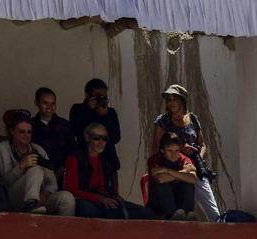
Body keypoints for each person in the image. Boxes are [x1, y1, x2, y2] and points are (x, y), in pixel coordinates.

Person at [151, 84, 218, 220]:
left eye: (174, 99)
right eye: (168, 100)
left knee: (213, 211)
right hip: (173, 165)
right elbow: (157, 147)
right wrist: (181, 150)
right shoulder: (163, 121)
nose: (171, 103)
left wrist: (198, 157)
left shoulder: (193, 119)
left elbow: (203, 144)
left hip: (193, 168)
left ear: (182, 100)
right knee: (177, 212)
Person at [62, 122, 152, 219]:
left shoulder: (105, 161)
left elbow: (109, 189)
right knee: (89, 210)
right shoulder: (75, 158)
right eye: (96, 138)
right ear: (87, 138)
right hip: (85, 200)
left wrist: (114, 196)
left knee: (146, 212)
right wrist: (99, 199)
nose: (101, 142)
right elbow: (70, 189)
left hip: (105, 200)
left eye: (104, 139)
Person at [0, 116, 73, 215]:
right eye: (22, 132)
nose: (26, 135)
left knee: (67, 197)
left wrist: (45, 194)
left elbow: (52, 183)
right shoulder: (2, 149)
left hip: (41, 197)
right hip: (10, 197)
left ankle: (63, 229)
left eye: (29, 132)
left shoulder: (38, 150)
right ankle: (31, 204)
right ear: (12, 131)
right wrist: (21, 166)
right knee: (35, 169)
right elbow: (4, 183)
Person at [145, 132, 198, 220]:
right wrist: (184, 172)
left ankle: (187, 215)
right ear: (162, 150)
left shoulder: (184, 159)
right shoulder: (155, 159)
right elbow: (161, 179)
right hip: (159, 203)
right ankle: (172, 217)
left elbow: (193, 179)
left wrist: (167, 171)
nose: (174, 154)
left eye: (176, 150)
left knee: (188, 184)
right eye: (170, 151)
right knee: (163, 186)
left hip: (178, 202)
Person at [68, 78, 121, 166]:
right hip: (85, 160)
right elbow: (77, 132)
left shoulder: (110, 113)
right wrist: (89, 110)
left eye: (103, 97)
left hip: (107, 161)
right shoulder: (78, 109)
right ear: (88, 95)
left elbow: (115, 138)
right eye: (98, 97)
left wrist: (104, 116)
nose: (101, 100)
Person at [30, 87, 73, 181]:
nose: (49, 107)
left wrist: (63, 170)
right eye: (45, 103)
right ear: (36, 103)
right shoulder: (29, 126)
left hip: (62, 175)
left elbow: (72, 151)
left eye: (53, 103)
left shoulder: (65, 125)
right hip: (37, 174)